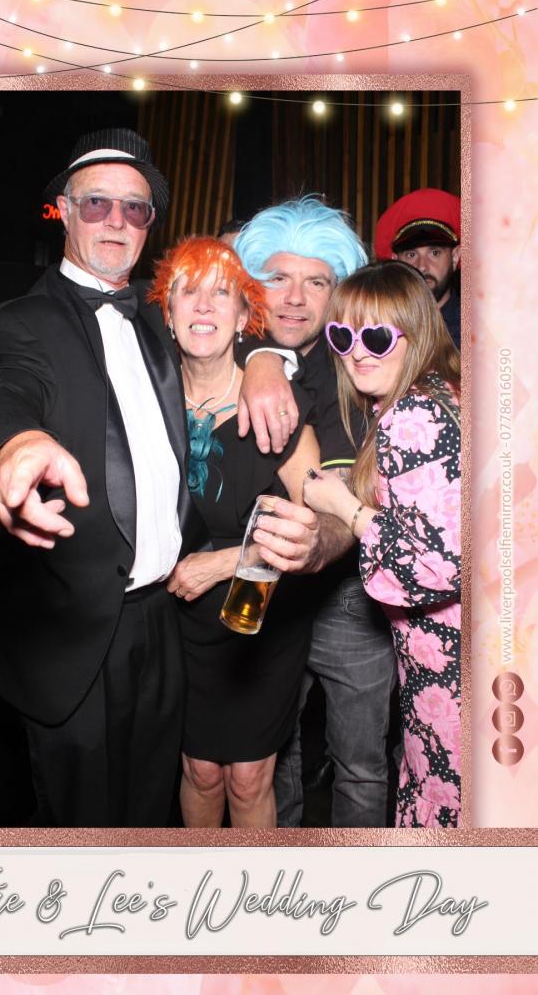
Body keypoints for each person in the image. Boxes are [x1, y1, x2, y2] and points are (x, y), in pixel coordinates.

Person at [0, 128, 210, 827]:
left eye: (136, 208)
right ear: (64, 212)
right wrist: (12, 445)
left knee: (150, 816)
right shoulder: (22, 322)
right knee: (82, 833)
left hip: (163, 617)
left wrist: (265, 366)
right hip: (72, 634)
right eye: (97, 203)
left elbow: (236, 334)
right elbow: (3, 394)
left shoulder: (159, 317)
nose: (116, 221)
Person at [234, 197, 397, 827]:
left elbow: (346, 488)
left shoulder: (358, 366)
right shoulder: (224, 346)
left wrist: (323, 539)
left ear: (339, 292)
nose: (296, 298)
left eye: (317, 282)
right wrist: (260, 357)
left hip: (349, 598)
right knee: (269, 759)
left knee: (359, 763)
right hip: (258, 590)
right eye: (278, 277)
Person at [147, 237, 320, 828]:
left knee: (247, 779)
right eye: (187, 292)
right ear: (167, 312)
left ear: (245, 317)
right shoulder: (148, 402)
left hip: (258, 617)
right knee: (198, 771)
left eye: (221, 293)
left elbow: (313, 523)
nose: (203, 306)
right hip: (174, 622)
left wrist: (222, 564)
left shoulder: (273, 403)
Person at [303, 261, 461, 827]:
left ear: (414, 334)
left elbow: (435, 565)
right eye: (342, 336)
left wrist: (344, 507)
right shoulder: (443, 392)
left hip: (450, 665)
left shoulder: (411, 415)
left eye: (375, 337)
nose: (356, 353)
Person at [375, 188, 461, 349]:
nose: (422, 266)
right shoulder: (376, 326)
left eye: (434, 253)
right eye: (411, 255)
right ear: (395, 261)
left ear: (455, 257)